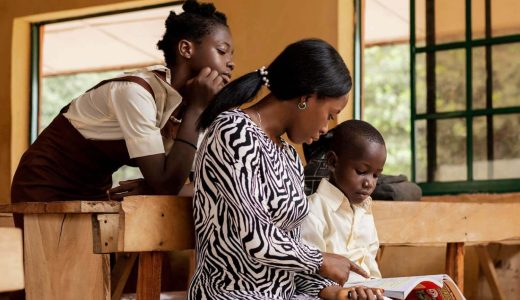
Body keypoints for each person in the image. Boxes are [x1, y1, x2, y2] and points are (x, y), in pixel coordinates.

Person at [189, 39, 383, 300]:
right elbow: (257, 238)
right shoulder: (233, 132)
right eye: (329, 114)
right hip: (232, 294)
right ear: (307, 97)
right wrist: (321, 260)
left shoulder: (289, 156)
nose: (326, 128)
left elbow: (290, 261)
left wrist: (339, 293)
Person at [10, 0, 234, 216]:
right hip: (44, 186)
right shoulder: (135, 92)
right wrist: (196, 111)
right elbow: (166, 185)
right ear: (186, 48)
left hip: (94, 194)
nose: (231, 62)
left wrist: (152, 188)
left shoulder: (195, 102)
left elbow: (209, 186)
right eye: (223, 51)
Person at [300, 120, 387, 297]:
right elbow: (308, 272)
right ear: (333, 162)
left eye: (376, 175)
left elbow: (370, 264)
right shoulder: (313, 210)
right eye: (361, 171)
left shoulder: (365, 211)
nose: (369, 182)